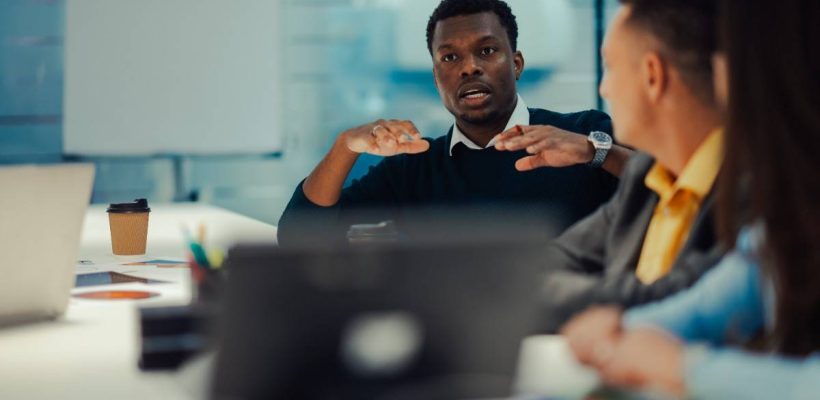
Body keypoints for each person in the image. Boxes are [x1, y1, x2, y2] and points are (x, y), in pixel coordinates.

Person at [563, 0, 820, 398]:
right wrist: (621, 332)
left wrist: (685, 368)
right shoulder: (789, 208)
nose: (717, 77)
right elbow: (718, 300)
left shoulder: (751, 185)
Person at [277, 0, 633, 246]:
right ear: (437, 78)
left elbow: (663, 189)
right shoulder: (414, 168)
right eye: (449, 57)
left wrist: (594, 152)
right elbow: (298, 235)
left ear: (517, 64)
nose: (469, 67)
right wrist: (345, 145)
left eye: (487, 51)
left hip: (572, 328)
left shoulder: (581, 135)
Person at [496, 0, 723, 332]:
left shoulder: (753, 190)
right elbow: (548, 262)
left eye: (611, 68)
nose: (605, 88)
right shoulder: (648, 177)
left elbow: (670, 298)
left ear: (652, 76)